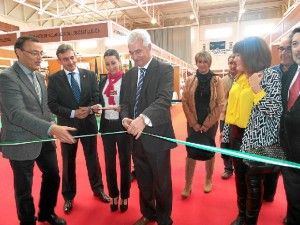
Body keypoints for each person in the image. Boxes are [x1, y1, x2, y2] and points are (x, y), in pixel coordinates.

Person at [0, 36, 77, 225]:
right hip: (20, 140)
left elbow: (44, 108)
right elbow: (16, 114)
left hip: (43, 138)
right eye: (34, 52)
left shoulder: (39, 77)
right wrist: (51, 128)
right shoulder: (6, 78)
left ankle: (46, 213)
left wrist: (51, 122)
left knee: (53, 175)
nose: (39, 57)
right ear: (18, 53)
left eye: (41, 53)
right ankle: (28, 221)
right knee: (24, 187)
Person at [223, 36, 284, 225]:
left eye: (239, 54)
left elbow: (275, 110)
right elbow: (231, 109)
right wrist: (225, 135)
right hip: (236, 137)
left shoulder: (270, 75)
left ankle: (249, 221)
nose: (235, 59)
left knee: (253, 184)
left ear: (251, 55)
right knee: (240, 180)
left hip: (256, 141)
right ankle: (241, 215)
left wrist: (257, 88)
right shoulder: (240, 77)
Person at [120, 29, 177, 225]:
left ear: (149, 47)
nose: (135, 57)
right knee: (143, 180)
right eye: (131, 53)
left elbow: (163, 100)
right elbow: (125, 103)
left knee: (161, 182)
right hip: (135, 137)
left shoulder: (164, 69)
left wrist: (143, 119)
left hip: (157, 136)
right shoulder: (128, 76)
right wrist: (126, 119)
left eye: (139, 52)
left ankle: (163, 218)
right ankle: (148, 213)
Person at [47, 44, 110, 215]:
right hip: (67, 127)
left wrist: (89, 109)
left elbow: (96, 96)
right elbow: (52, 105)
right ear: (59, 60)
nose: (70, 61)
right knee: (68, 162)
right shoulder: (54, 79)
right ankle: (68, 196)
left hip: (88, 123)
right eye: (65, 59)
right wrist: (74, 113)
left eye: (72, 57)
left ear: (76, 56)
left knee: (93, 159)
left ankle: (98, 189)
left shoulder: (89, 75)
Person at [91, 49, 131, 212]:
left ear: (119, 61)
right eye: (107, 64)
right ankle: (113, 194)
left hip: (123, 126)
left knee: (125, 162)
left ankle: (125, 196)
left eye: (113, 63)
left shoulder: (127, 80)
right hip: (107, 126)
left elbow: (130, 102)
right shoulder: (102, 82)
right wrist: (98, 106)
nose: (110, 67)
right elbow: (99, 100)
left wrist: (124, 109)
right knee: (109, 163)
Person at [181, 50, 225, 197]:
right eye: (199, 61)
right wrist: (194, 123)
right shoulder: (190, 80)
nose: (202, 64)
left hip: (210, 124)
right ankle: (188, 184)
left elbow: (220, 104)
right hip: (193, 123)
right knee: (191, 153)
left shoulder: (217, 80)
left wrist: (207, 124)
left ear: (209, 63)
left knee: (209, 151)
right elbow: (185, 102)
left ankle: (208, 179)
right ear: (196, 63)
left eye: (205, 61)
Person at [263, 36, 294, 203]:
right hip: (272, 127)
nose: (284, 52)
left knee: (291, 174)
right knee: (270, 164)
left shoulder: (297, 72)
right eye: (281, 49)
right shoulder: (271, 72)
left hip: (293, 130)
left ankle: (293, 211)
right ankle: (268, 194)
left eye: (288, 48)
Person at [281, 26, 300, 225]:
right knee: (293, 198)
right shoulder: (291, 72)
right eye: (295, 44)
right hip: (289, 153)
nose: (297, 49)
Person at [220, 54, 237, 180]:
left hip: (238, 118)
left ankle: (239, 167)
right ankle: (228, 168)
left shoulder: (245, 78)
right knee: (225, 144)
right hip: (224, 117)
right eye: (230, 63)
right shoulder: (223, 81)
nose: (232, 65)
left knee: (237, 143)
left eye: (234, 63)